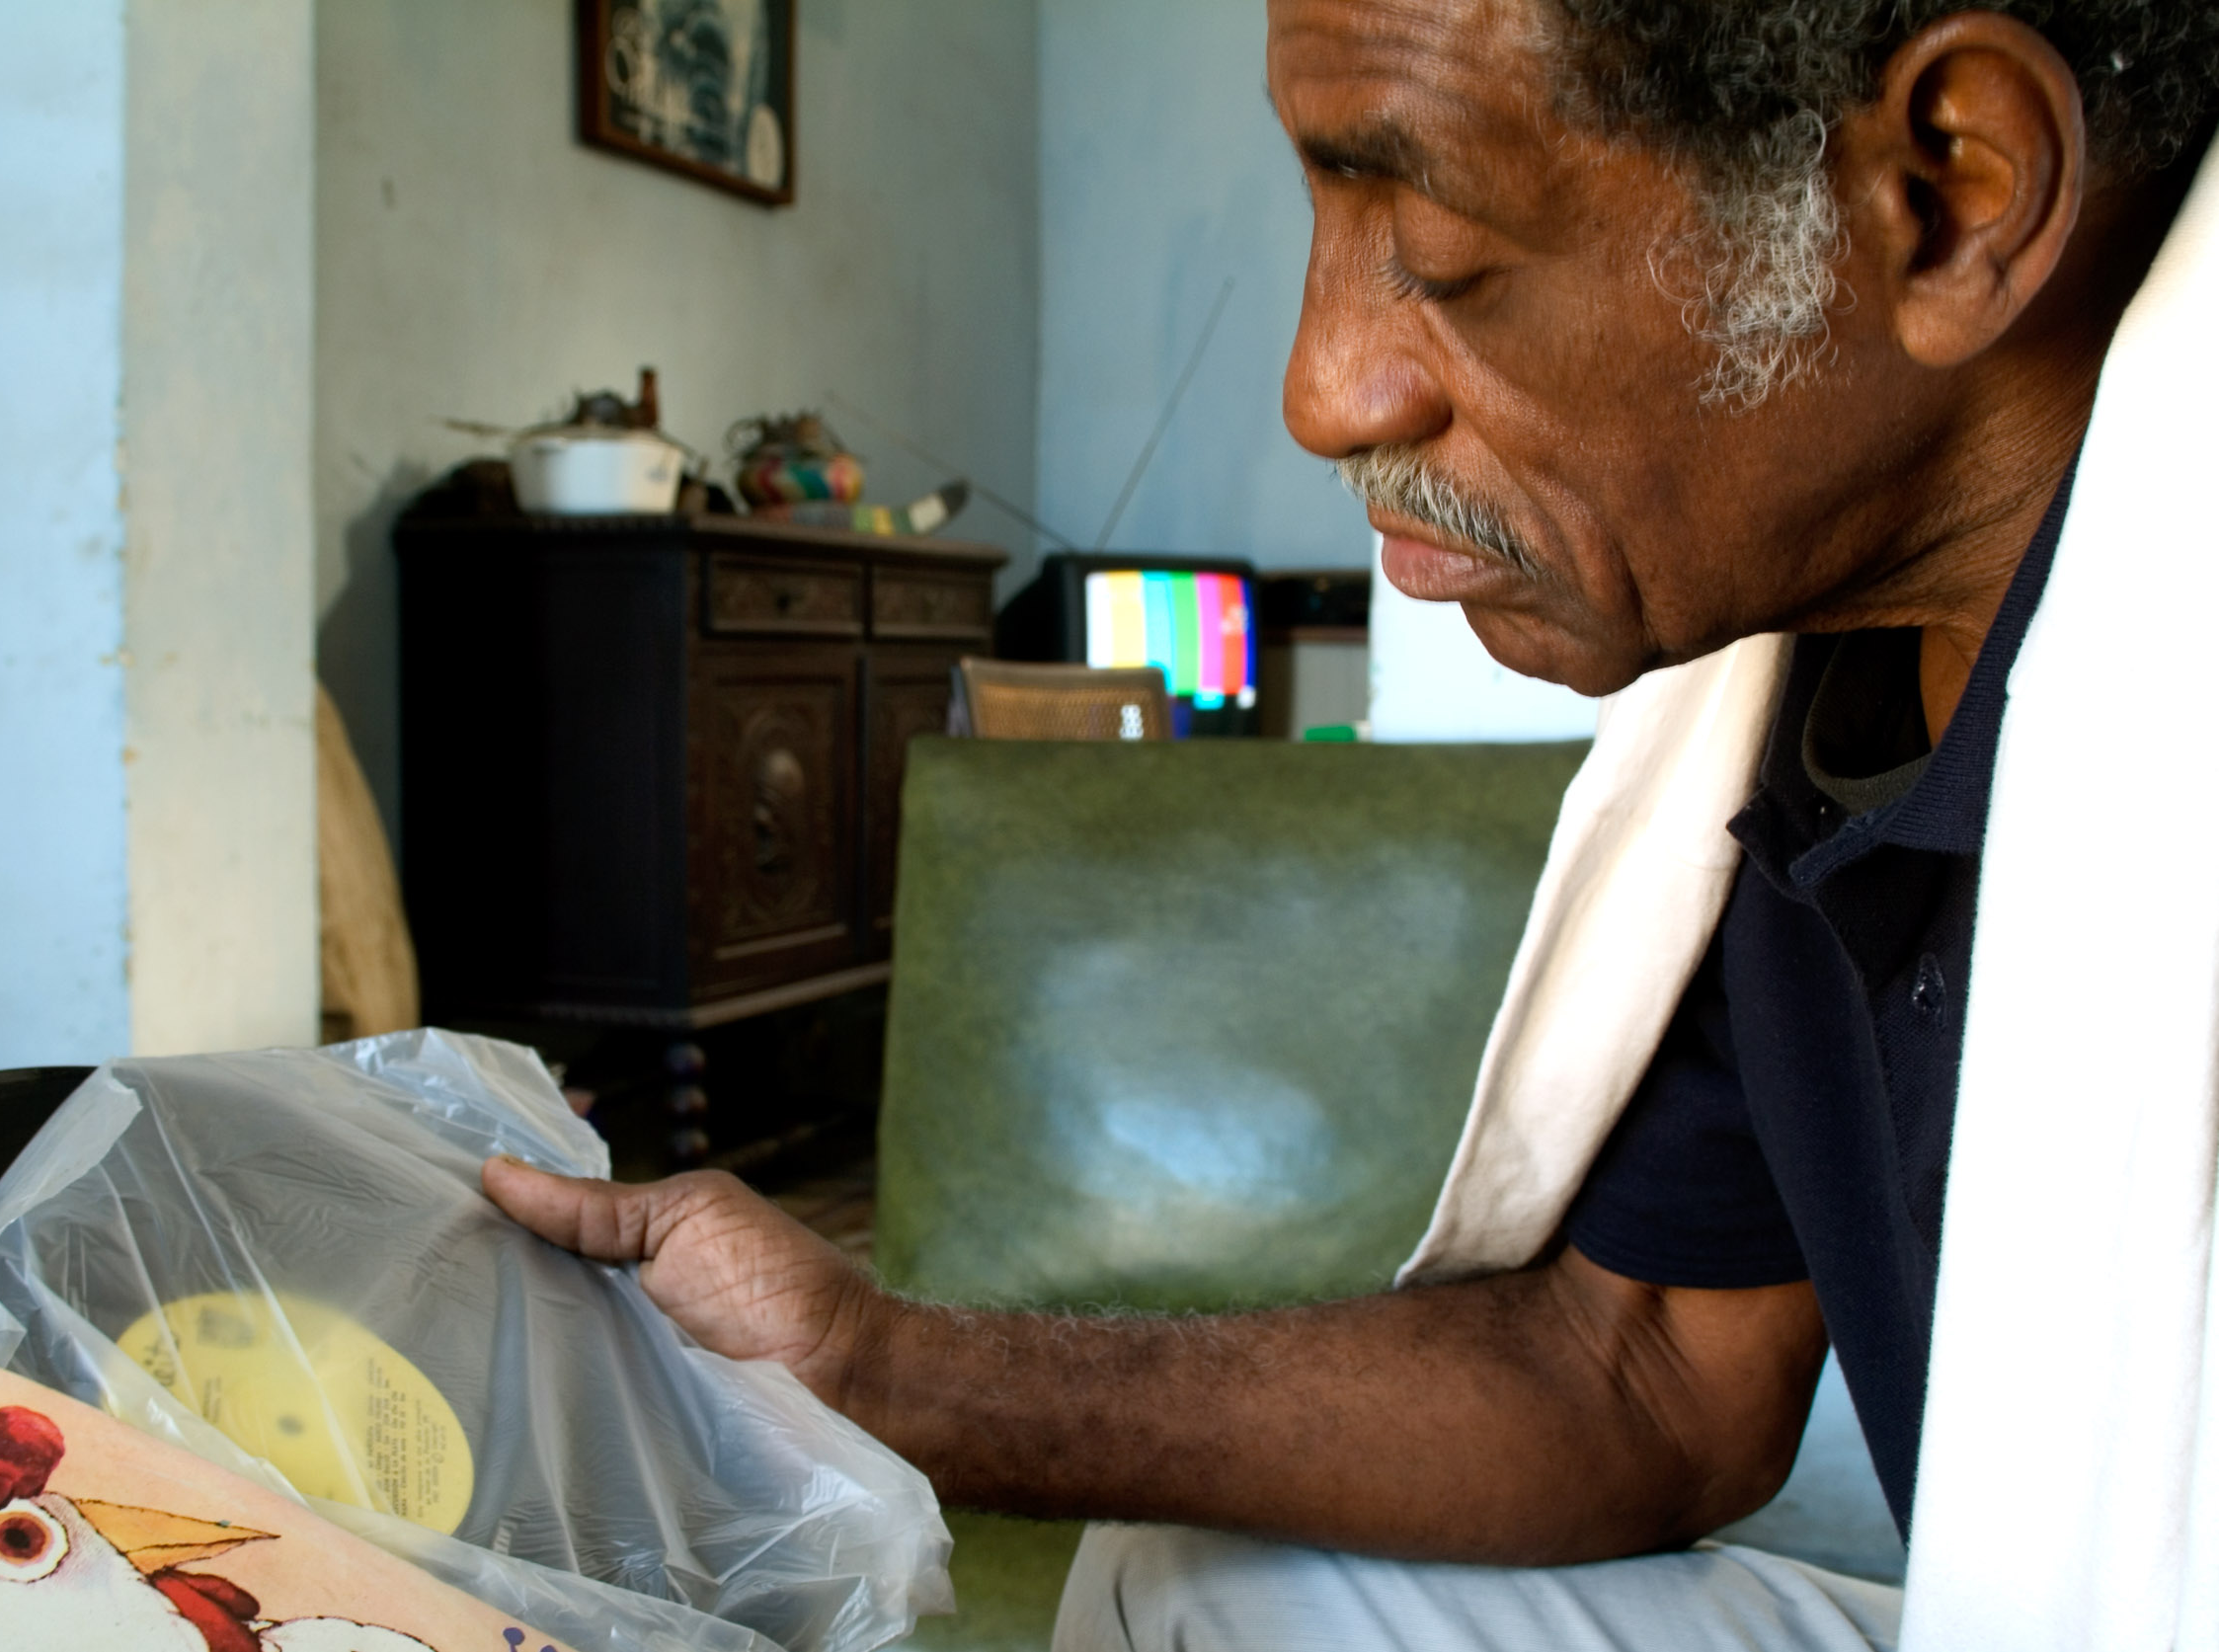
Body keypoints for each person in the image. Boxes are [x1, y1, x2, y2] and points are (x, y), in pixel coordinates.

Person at [484, 3, 2219, 1646]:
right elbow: (1647, 1365)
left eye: (1445, 248)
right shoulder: (1803, 711)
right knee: (1209, 1585)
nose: (1326, 392)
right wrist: (867, 1360)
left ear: (1952, 192)